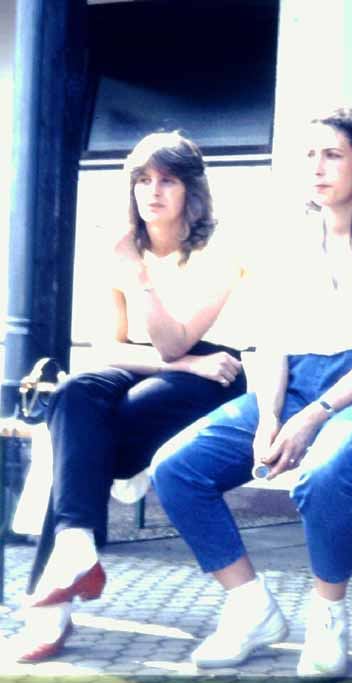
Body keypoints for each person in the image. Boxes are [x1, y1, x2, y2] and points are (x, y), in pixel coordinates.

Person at [151, 106, 352, 677]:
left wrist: (312, 419)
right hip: (293, 381)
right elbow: (271, 341)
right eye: (309, 155)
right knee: (176, 469)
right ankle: (250, 607)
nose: (317, 167)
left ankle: (328, 617)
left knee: (324, 476)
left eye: (332, 155)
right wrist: (269, 418)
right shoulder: (286, 239)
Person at [8, 132, 248, 663]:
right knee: (72, 393)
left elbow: (175, 341)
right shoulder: (119, 250)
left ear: (191, 190)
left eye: (167, 180)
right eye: (142, 180)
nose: (152, 191)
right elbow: (107, 347)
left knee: (81, 449)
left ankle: (53, 605)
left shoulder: (220, 251)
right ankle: (77, 546)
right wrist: (180, 360)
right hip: (162, 365)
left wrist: (138, 277)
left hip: (215, 373)